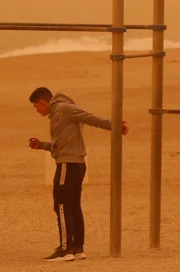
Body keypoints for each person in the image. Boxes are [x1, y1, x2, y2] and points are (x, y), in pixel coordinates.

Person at [27, 86, 128, 262]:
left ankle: (66, 249)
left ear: (43, 102)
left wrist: (115, 125)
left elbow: (90, 118)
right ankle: (77, 247)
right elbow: (59, 147)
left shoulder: (64, 109)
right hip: (71, 162)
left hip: (69, 164)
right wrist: (41, 145)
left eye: (36, 106)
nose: (36, 111)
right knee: (72, 205)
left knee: (61, 205)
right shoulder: (57, 115)